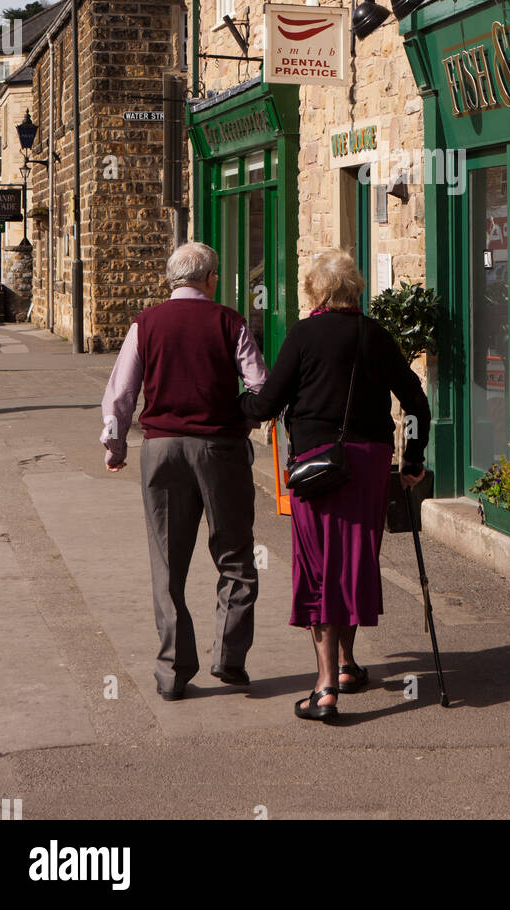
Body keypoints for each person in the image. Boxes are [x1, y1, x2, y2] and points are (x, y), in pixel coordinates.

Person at [239, 248, 429, 722]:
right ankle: (345, 666)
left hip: (316, 467)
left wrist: (232, 406)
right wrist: (413, 460)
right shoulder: (376, 335)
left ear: (315, 291)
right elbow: (417, 404)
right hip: (367, 465)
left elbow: (264, 405)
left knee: (319, 568)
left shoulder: (303, 335)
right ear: (355, 290)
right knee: (352, 562)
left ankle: (324, 688)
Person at [101, 242, 267, 700]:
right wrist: (242, 419)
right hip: (220, 449)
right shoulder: (228, 320)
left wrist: (115, 446)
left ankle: (174, 670)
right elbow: (260, 386)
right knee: (235, 555)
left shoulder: (145, 323)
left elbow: (122, 392)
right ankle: (229, 658)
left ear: (171, 280)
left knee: (168, 564)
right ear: (210, 278)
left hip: (162, 447)